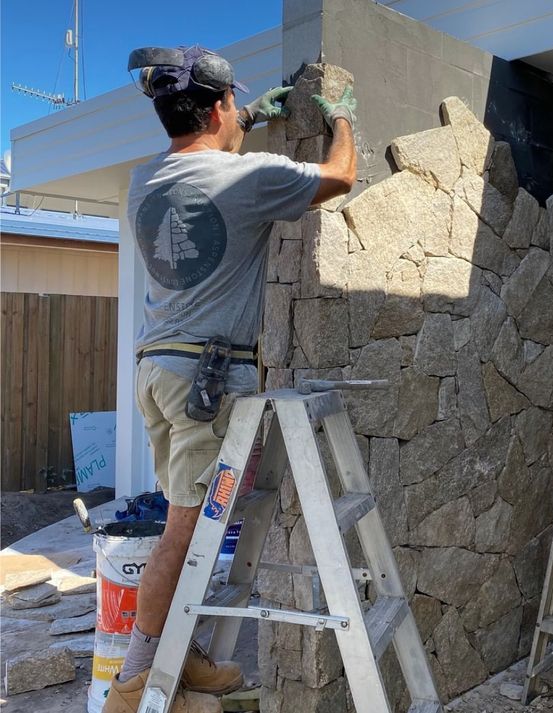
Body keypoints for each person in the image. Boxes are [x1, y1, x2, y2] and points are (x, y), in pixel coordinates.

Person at [103, 45, 357, 713]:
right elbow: (341, 176)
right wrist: (346, 119)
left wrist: (239, 114)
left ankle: (181, 655)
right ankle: (133, 684)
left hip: (157, 373)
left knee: (182, 520)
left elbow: (206, 153)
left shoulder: (144, 180)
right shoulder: (248, 180)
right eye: (231, 104)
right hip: (205, 383)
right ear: (216, 107)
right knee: (183, 532)